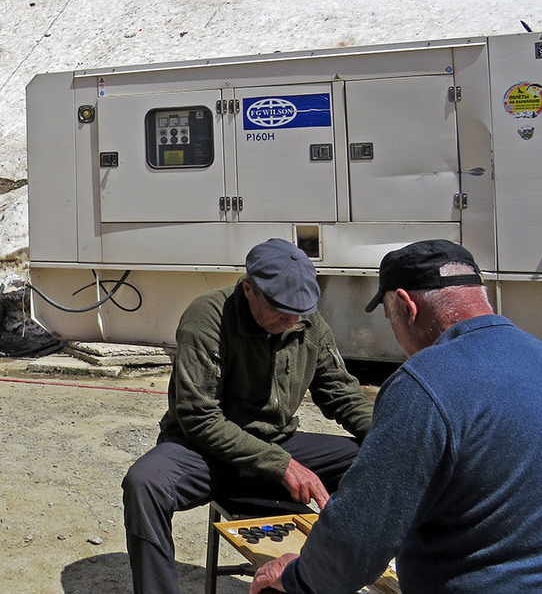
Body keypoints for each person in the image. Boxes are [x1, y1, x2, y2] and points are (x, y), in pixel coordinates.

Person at [250, 239, 542, 594]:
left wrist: (297, 576)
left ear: (406, 307)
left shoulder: (427, 381)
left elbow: (354, 544)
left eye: (389, 318)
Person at [123, 238, 374, 594]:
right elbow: (198, 417)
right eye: (281, 311)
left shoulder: (306, 320)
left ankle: (334, 571)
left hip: (278, 443)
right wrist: (282, 465)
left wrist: (386, 439)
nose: (290, 322)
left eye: (298, 313)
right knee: (144, 483)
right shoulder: (206, 317)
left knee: (375, 460)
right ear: (248, 289)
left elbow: (340, 390)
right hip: (205, 453)